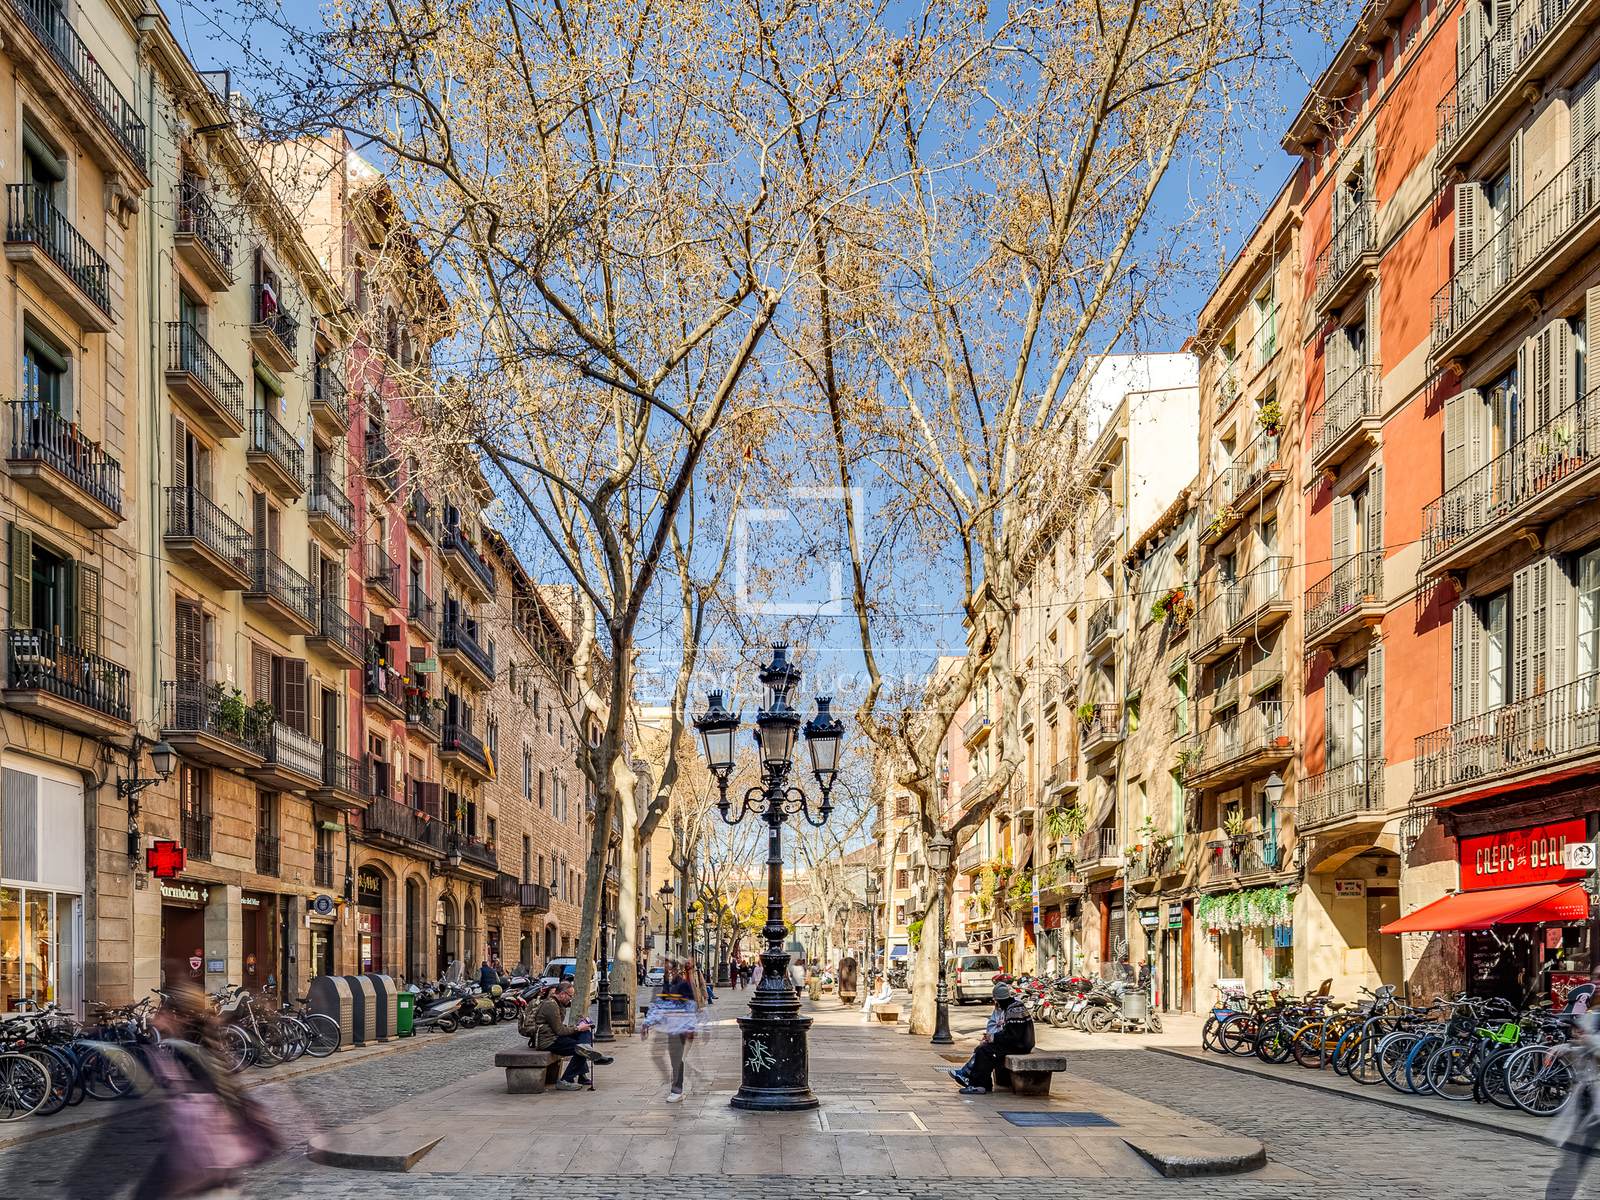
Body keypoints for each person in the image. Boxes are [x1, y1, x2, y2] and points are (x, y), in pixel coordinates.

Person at [521, 982, 614, 1090]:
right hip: (548, 1041)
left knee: (585, 1034)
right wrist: (577, 1028)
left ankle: (583, 1072)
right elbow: (559, 1030)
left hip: (555, 1037)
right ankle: (566, 1079)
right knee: (581, 1049)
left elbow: (559, 1027)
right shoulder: (550, 1005)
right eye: (570, 996)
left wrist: (580, 1028)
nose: (571, 999)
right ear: (562, 994)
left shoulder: (558, 1004)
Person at [947, 982, 1035, 1095]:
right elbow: (1010, 1032)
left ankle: (978, 1085)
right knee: (984, 1048)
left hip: (1020, 1046)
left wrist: (993, 1037)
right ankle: (981, 1082)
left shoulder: (1013, 1010)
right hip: (1020, 1043)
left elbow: (1012, 1036)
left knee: (984, 1051)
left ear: (999, 1000)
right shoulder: (1014, 1006)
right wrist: (991, 1038)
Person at [642, 958, 700, 1103]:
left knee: (677, 1059)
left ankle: (677, 1091)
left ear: (676, 970)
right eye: (666, 970)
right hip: (672, 1029)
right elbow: (660, 1006)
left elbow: (691, 1007)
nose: (668, 972)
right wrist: (647, 1023)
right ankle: (685, 1081)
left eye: (670, 969)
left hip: (682, 1029)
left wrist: (690, 1028)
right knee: (677, 1059)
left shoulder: (683, 985)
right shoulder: (667, 986)